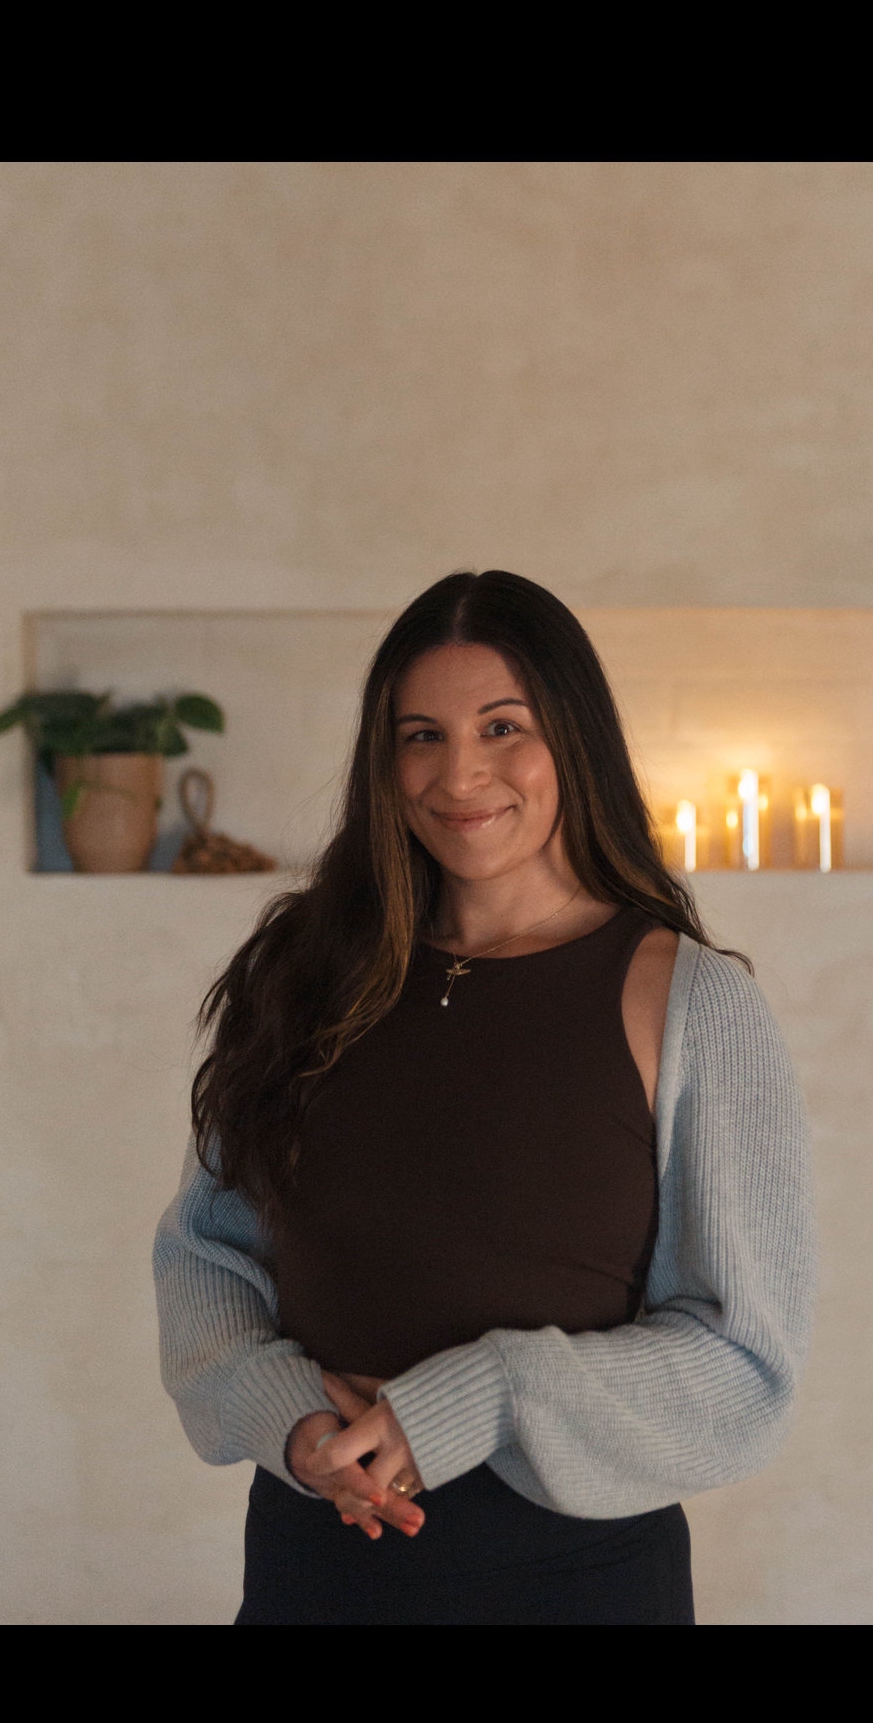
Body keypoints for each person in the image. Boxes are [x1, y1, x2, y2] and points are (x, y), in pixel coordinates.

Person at [154, 569, 816, 1625]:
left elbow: (745, 1359)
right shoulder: (301, 971)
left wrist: (475, 1402)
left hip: (574, 1586)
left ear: (574, 738)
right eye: (420, 735)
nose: (459, 773)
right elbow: (205, 1252)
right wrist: (285, 1417)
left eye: (502, 726)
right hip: (313, 1568)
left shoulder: (690, 1002)